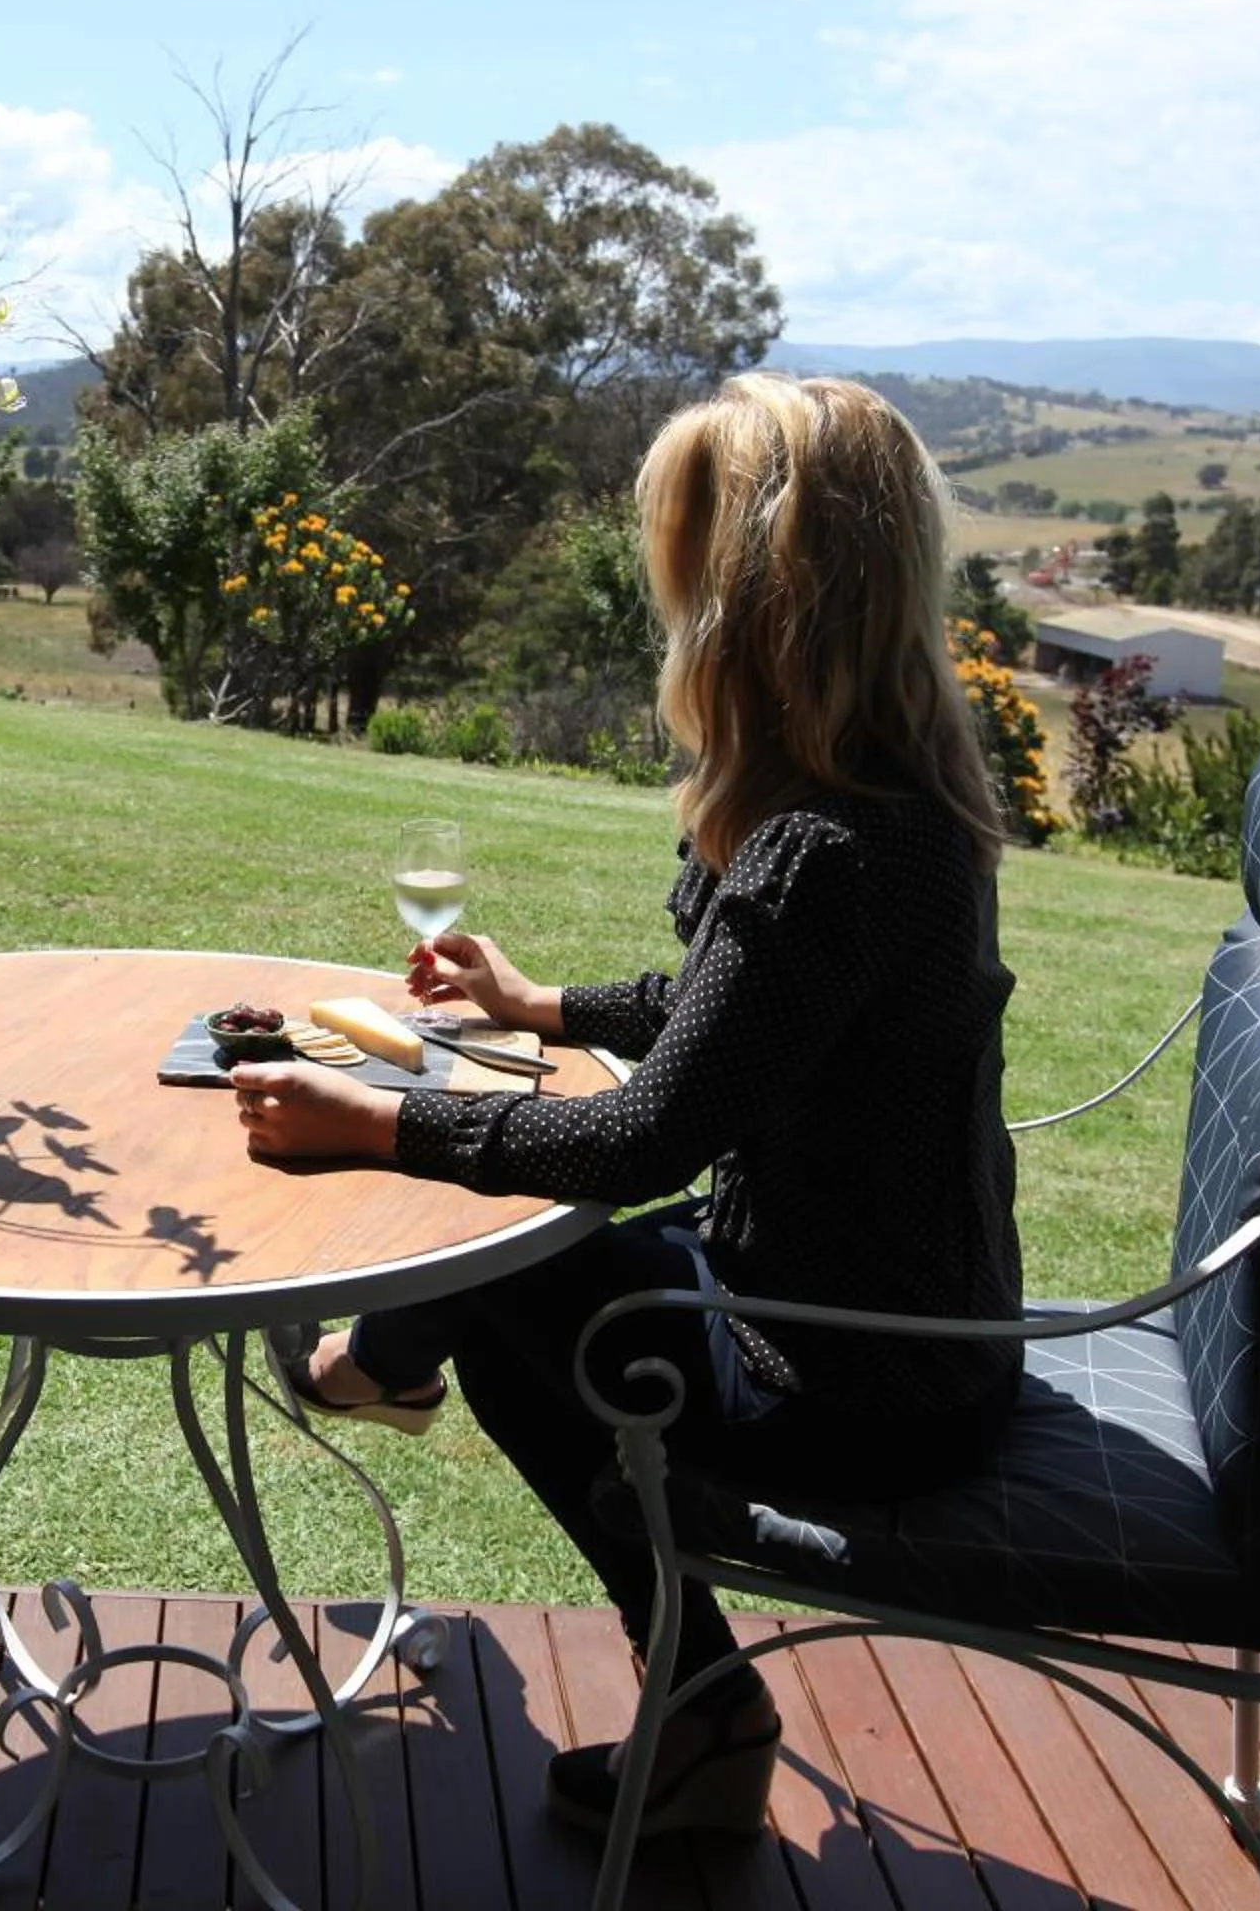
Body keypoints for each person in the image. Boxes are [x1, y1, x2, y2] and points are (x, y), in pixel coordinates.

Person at [227, 372, 1024, 1842]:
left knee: (512, 1249)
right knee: (524, 1254)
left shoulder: (818, 850)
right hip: (922, 1330)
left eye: (683, 576)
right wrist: (542, 1012)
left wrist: (374, 1123)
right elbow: (745, 1025)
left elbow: (647, 1136)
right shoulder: (896, 812)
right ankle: (414, 1386)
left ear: (753, 603)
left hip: (856, 1380)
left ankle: (695, 1695)